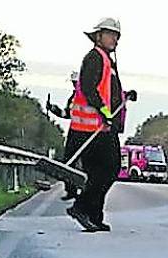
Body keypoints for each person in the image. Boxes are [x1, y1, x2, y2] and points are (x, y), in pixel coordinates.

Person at [65, 17, 135, 233]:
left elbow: (108, 92)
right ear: (99, 36)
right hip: (93, 128)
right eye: (110, 34)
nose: (115, 39)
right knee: (110, 169)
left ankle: (94, 215)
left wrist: (125, 95)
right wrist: (105, 114)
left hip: (101, 127)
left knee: (98, 172)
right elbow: (89, 88)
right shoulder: (95, 58)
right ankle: (82, 207)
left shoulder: (105, 60)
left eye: (116, 36)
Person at [46, 72, 82, 201]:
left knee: (89, 163)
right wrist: (54, 109)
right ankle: (71, 190)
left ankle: (88, 191)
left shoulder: (91, 94)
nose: (74, 85)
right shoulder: (73, 97)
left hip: (90, 131)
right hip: (75, 131)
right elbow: (66, 113)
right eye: (73, 83)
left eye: (76, 82)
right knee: (68, 162)